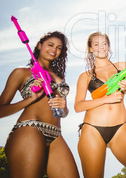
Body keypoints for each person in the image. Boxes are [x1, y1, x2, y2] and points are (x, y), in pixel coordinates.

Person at [0, 31, 79, 178]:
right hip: (30, 129)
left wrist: (64, 108)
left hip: (56, 135)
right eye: (50, 45)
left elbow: (63, 112)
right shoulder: (21, 73)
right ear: (39, 45)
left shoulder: (59, 77)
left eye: (59, 47)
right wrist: (29, 100)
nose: (54, 50)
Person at [75, 31, 126, 178]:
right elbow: (78, 106)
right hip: (92, 130)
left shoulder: (121, 66)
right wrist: (105, 99)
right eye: (96, 44)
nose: (101, 47)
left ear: (108, 46)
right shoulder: (85, 76)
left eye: (104, 43)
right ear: (90, 48)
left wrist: (125, 87)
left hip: (120, 130)